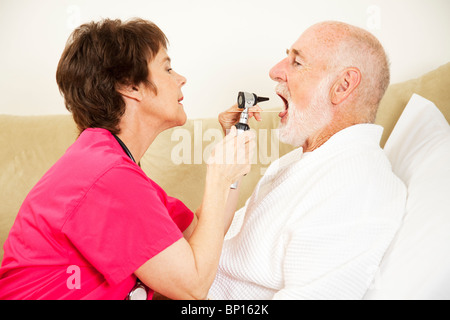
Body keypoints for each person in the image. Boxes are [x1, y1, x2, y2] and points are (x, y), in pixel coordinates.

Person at [0, 18, 255, 300]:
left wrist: (234, 158)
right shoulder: (106, 176)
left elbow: (202, 236)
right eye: (167, 68)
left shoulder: (113, 166)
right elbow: (193, 286)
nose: (181, 78)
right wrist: (218, 177)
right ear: (129, 86)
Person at [209, 21, 407, 300]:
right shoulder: (307, 161)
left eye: (297, 62)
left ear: (342, 86)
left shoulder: (359, 188)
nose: (275, 71)